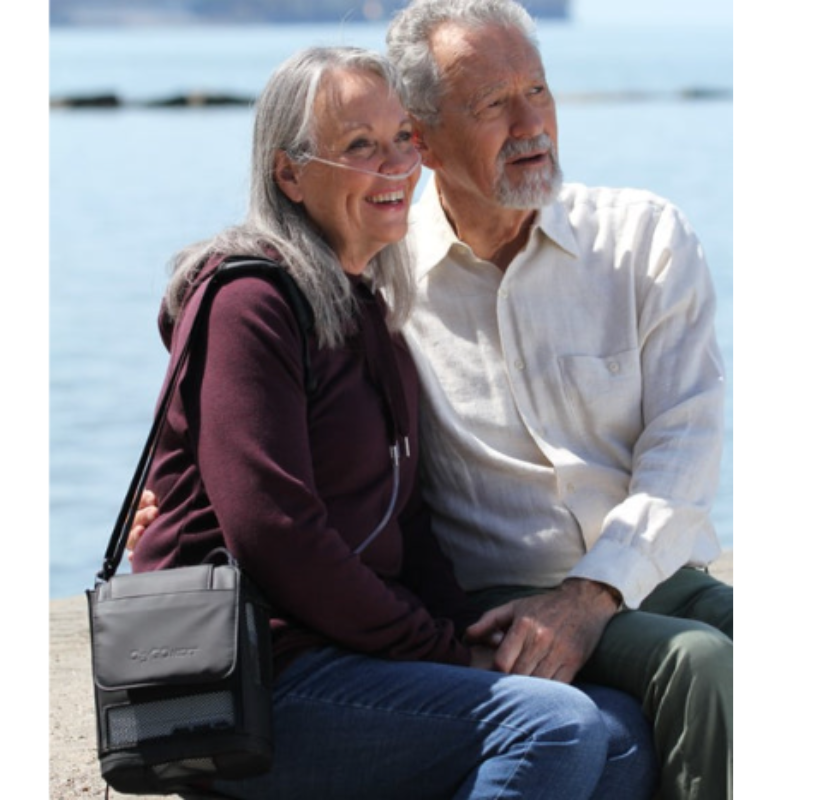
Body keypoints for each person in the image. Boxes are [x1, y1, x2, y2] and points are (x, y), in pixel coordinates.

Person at [129, 45, 656, 800]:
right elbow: (275, 532)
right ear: (289, 174)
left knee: (620, 734)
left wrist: (460, 638)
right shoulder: (251, 304)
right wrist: (436, 648)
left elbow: (406, 524)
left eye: (403, 139)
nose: (396, 166)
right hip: (251, 683)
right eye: (359, 147)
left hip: (355, 659)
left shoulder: (366, 310)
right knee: (553, 726)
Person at [383, 2, 733, 798]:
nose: (530, 122)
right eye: (492, 104)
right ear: (422, 138)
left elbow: (687, 439)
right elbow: (271, 365)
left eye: (536, 91)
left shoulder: (644, 238)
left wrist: (596, 593)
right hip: (501, 591)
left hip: (651, 572)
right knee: (702, 661)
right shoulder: (381, 277)